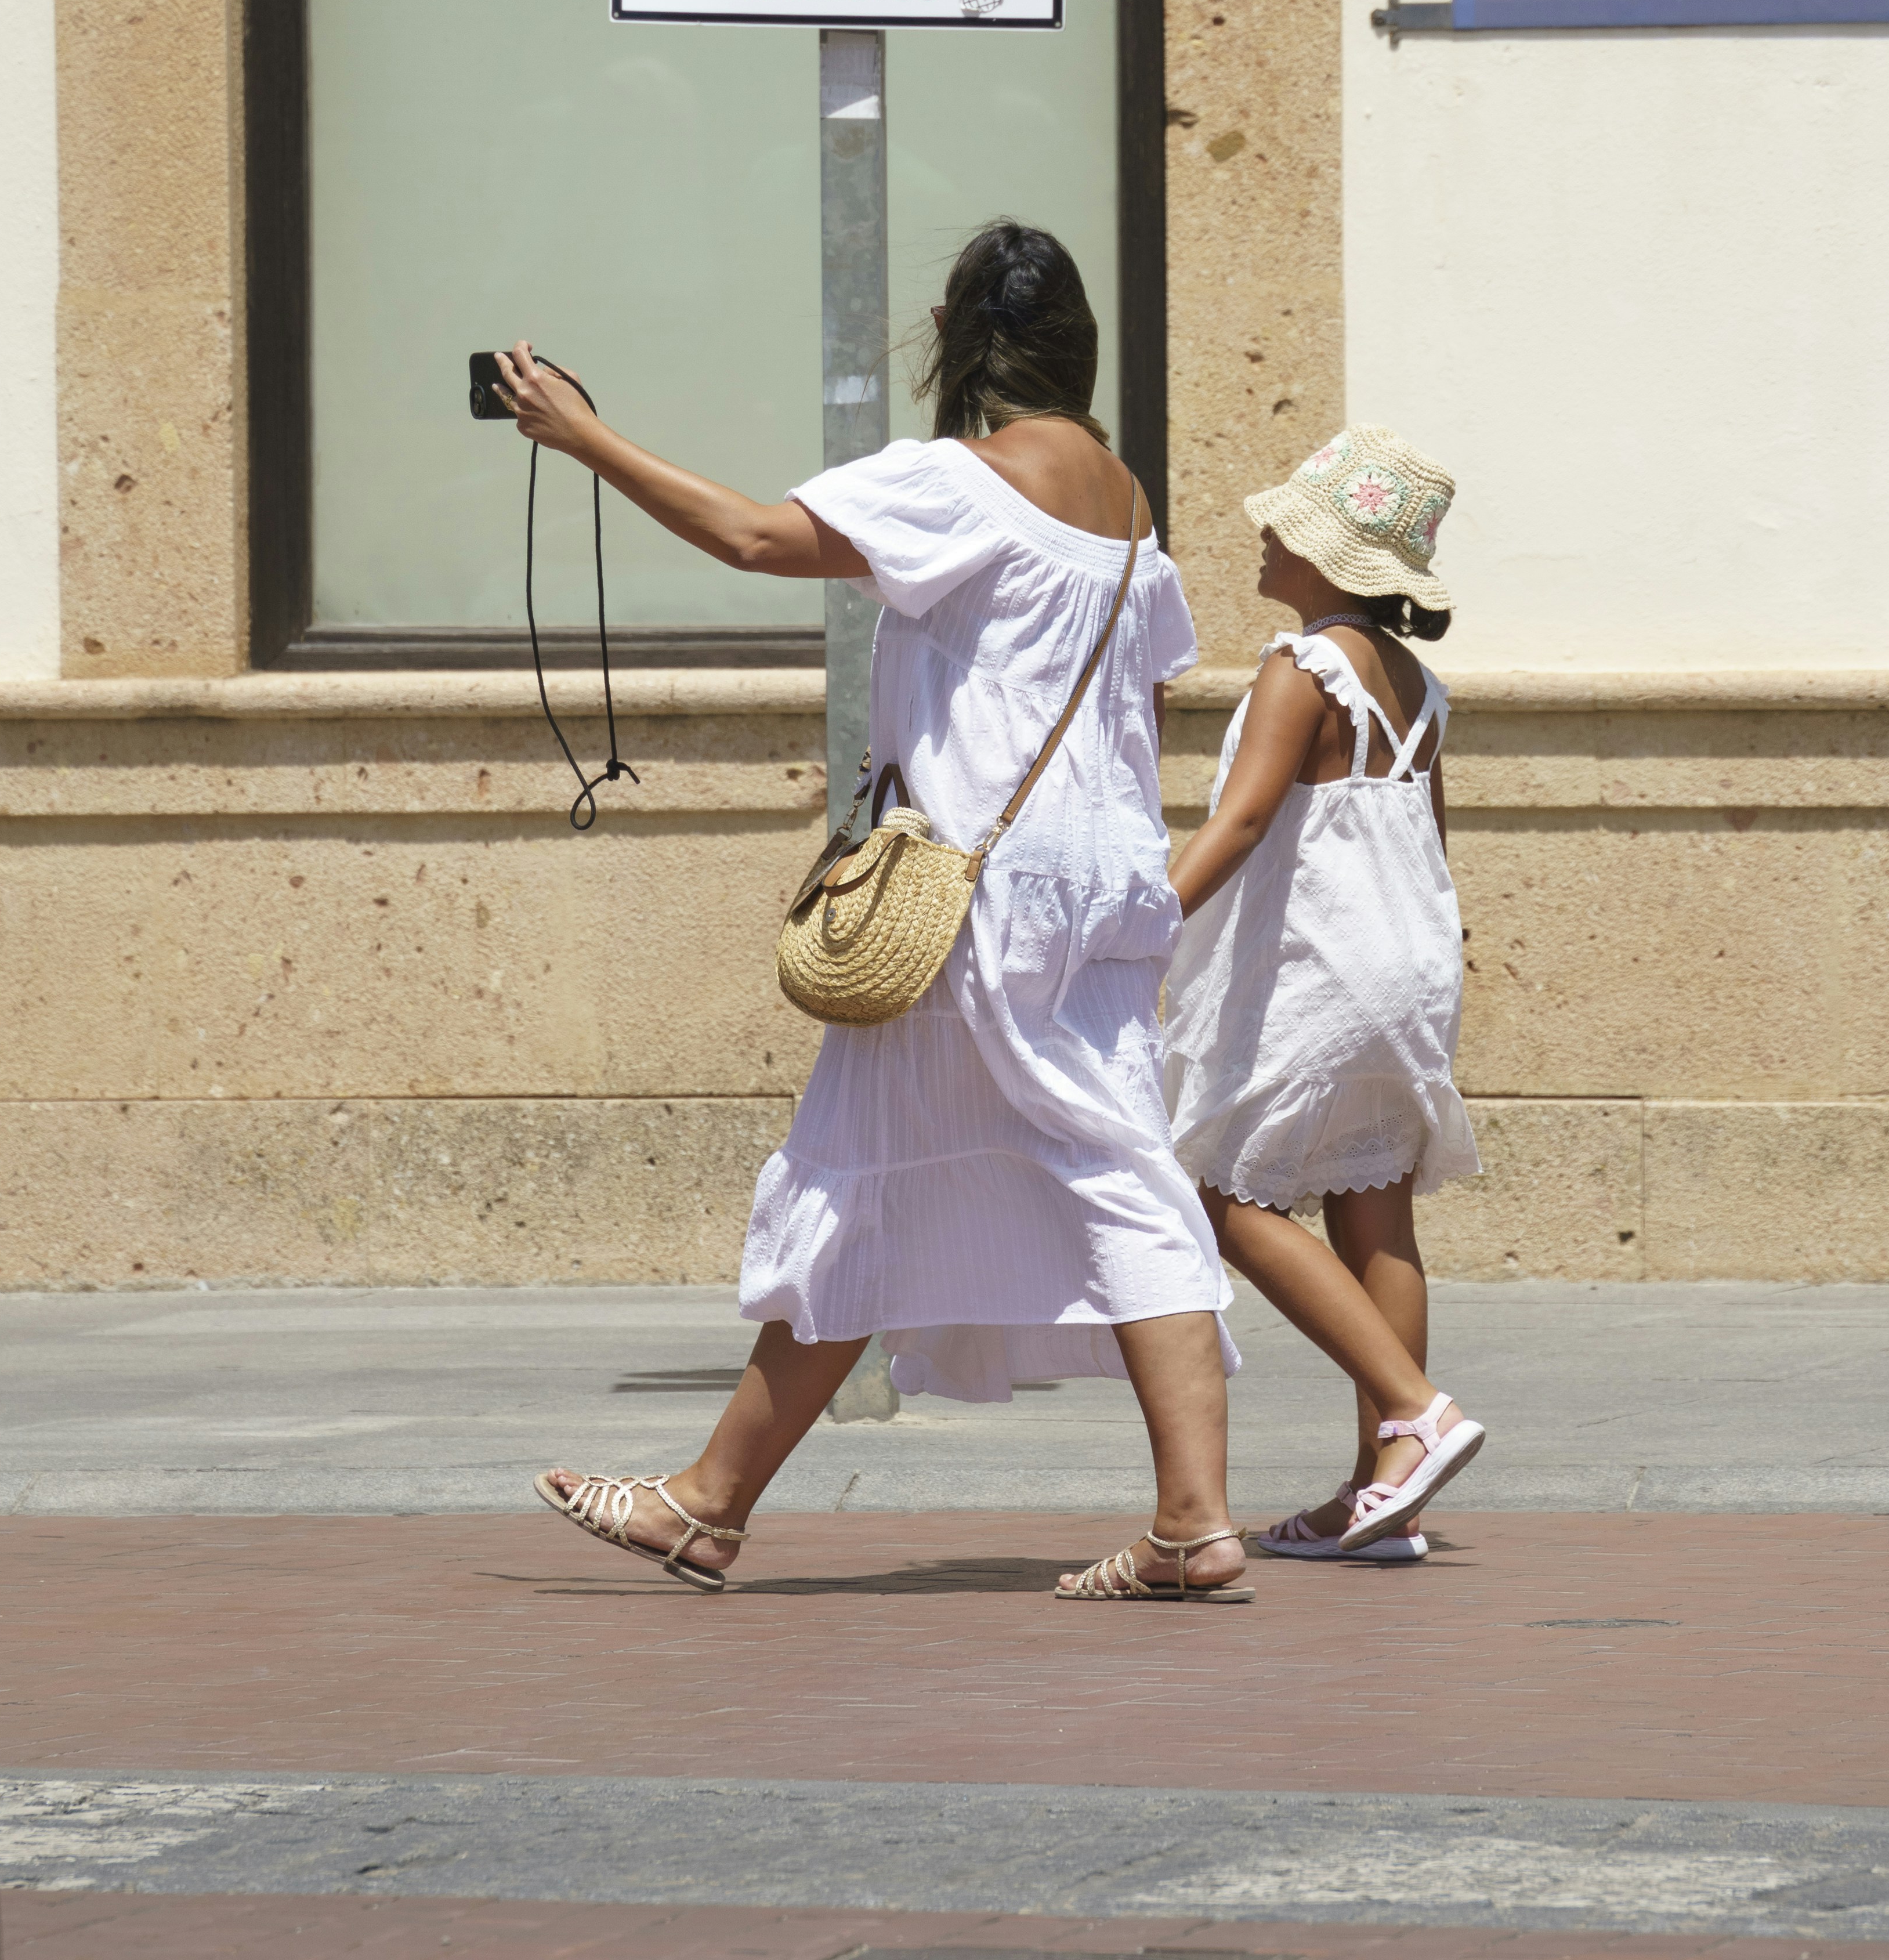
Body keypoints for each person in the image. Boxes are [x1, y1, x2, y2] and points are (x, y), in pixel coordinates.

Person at [496, 220, 1246, 1603]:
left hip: (977, 882)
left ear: (958, 339)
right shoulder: (1128, 504)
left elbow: (752, 535)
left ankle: (722, 1505)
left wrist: (584, 438)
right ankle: (718, 1503)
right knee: (1016, 1163)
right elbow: (1140, 700)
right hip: (1101, 874)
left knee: (934, 1170)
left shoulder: (958, 481)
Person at [1163, 425, 1484, 1559]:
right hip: (1408, 965)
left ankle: (1414, 1410)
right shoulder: (1420, 687)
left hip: (1327, 967)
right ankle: (1380, 1489)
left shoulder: (1304, 668)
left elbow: (1242, 821)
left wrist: (1139, 921)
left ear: (1333, 562)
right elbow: (1429, 844)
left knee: (1222, 1196)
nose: (1262, 532)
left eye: (1288, 527)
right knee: (1375, 1201)